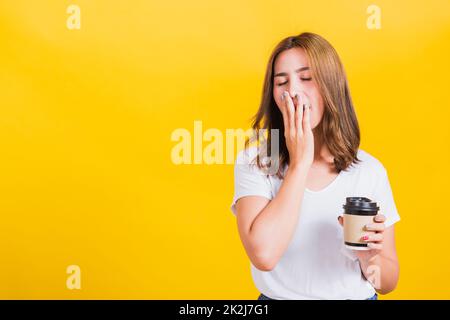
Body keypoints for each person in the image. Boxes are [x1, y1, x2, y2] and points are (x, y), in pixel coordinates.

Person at [230, 32, 400, 300]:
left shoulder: (369, 170)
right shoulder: (256, 163)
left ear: (331, 86)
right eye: (281, 82)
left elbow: (387, 282)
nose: (292, 91)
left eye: (306, 78)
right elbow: (264, 255)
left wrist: (369, 257)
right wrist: (299, 164)